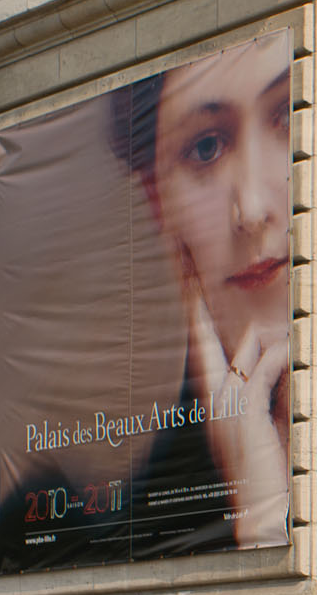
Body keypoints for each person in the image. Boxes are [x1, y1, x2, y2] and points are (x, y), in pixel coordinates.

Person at [109, 33, 293, 553]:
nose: (252, 209)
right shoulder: (125, 530)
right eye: (206, 147)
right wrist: (258, 519)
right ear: (157, 200)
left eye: (291, 114)